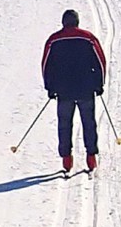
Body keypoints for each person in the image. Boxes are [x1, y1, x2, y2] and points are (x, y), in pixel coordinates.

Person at [43, 9, 106, 174]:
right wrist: (99, 84)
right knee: (89, 123)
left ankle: (66, 159)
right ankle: (91, 157)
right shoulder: (88, 38)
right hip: (86, 89)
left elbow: (46, 66)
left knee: (64, 124)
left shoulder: (54, 40)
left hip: (63, 91)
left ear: (63, 22)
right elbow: (100, 62)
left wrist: (50, 87)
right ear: (77, 22)